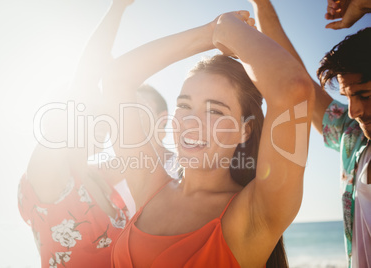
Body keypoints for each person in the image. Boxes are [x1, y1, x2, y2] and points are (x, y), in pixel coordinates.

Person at [100, 8, 314, 267]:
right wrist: (210, 32)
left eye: (214, 111)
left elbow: (294, 90)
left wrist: (227, 27)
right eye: (185, 105)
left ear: (244, 130)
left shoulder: (253, 214)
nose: (191, 121)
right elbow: (114, 79)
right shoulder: (150, 186)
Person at [246, 0, 371, 266]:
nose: (354, 111)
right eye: (348, 98)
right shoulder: (354, 139)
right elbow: (293, 75)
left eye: (364, 95)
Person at [17, 0, 133, 267]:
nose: (104, 123)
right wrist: (117, 9)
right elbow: (84, 80)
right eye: (92, 113)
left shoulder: (99, 175)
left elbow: (154, 158)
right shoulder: (47, 176)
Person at [89, 84, 181, 215]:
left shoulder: (184, 170)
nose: (128, 115)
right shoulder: (99, 173)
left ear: (162, 119)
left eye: (137, 106)